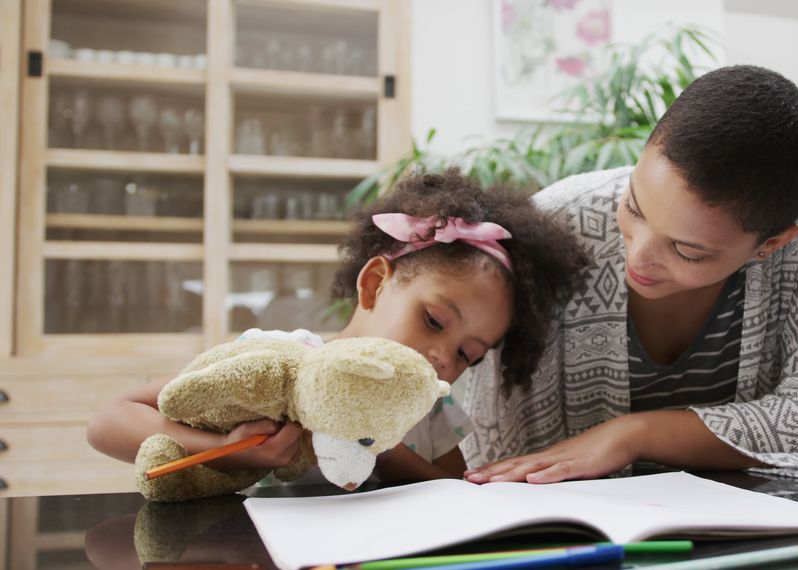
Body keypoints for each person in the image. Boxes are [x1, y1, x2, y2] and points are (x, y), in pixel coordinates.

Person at [462, 65, 798, 483]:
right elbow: (482, 440)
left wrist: (636, 435)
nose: (640, 258)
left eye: (687, 251)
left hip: (738, 529)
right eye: (633, 207)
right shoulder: (555, 226)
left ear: (771, 244)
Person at [87, 170, 589, 483]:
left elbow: (448, 494)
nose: (443, 356)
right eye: (434, 321)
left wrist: (381, 448)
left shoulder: (431, 410)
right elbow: (108, 422)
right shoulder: (280, 360)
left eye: (468, 355)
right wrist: (225, 452)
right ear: (373, 285)